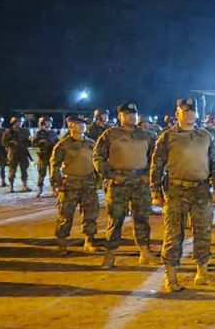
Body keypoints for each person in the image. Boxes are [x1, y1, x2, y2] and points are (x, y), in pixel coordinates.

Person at [150, 98, 215, 292]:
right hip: (176, 191)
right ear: (177, 114)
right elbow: (156, 165)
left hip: (201, 190)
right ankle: (171, 276)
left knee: (203, 232)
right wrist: (156, 191)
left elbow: (214, 162)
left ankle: (202, 271)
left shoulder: (205, 135)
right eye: (185, 112)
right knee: (173, 234)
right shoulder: (167, 137)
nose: (189, 115)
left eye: (192, 112)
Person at [93, 102, 157, 268]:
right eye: (127, 114)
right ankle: (111, 253)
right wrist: (111, 175)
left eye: (134, 114)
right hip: (118, 183)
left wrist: (148, 175)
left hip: (140, 182)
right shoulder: (110, 134)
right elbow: (97, 157)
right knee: (115, 219)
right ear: (120, 116)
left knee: (142, 218)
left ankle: (144, 251)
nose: (132, 117)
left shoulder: (147, 135)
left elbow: (156, 159)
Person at [50, 115, 100, 255]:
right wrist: (57, 183)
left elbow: (97, 162)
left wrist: (98, 180)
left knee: (90, 214)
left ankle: (89, 241)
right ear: (70, 125)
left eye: (83, 123)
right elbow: (54, 165)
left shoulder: (91, 143)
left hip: (88, 183)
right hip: (70, 183)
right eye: (78, 123)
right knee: (65, 215)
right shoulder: (63, 145)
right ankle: (62, 244)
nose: (82, 126)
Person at [32, 117, 60, 197]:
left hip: (52, 156)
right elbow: (34, 144)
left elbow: (58, 143)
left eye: (50, 122)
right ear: (43, 123)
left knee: (53, 173)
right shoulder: (39, 133)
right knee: (42, 173)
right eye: (47, 122)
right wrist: (40, 143)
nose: (49, 123)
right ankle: (40, 189)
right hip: (43, 156)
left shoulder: (53, 133)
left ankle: (54, 189)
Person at [2, 117, 31, 192]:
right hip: (13, 153)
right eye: (17, 122)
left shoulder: (25, 131)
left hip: (23, 153)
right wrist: (10, 143)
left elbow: (29, 143)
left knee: (24, 170)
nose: (19, 123)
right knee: (12, 170)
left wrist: (29, 141)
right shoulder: (8, 132)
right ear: (13, 122)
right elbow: (4, 143)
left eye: (20, 122)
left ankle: (24, 185)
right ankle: (11, 186)